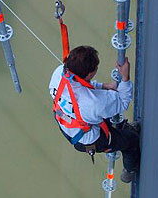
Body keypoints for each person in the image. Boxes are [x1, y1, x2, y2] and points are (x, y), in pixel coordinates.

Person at [49, 45, 140, 183]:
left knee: (102, 111)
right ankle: (130, 170)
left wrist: (104, 86)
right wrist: (125, 77)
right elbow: (122, 102)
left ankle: (120, 127)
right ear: (90, 74)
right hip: (90, 140)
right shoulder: (93, 102)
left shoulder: (59, 73)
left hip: (68, 123)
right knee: (131, 140)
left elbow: (82, 85)